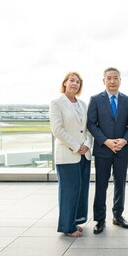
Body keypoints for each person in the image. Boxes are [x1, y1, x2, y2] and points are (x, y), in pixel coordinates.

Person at [87, 67, 128, 234]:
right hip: (103, 150)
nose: (112, 81)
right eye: (109, 78)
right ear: (104, 81)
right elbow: (91, 124)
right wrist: (106, 141)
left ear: (120, 80)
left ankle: (118, 216)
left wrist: (124, 140)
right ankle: (100, 219)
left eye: (116, 78)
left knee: (120, 184)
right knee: (101, 185)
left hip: (122, 150)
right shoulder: (95, 100)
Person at [49, 72, 93, 237]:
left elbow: (88, 128)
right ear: (65, 83)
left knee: (80, 190)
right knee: (69, 191)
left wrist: (87, 145)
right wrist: (77, 146)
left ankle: (74, 222)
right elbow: (57, 129)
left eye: (78, 81)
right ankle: (67, 227)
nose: (75, 83)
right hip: (68, 154)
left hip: (84, 154)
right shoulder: (57, 103)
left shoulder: (82, 104)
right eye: (72, 80)